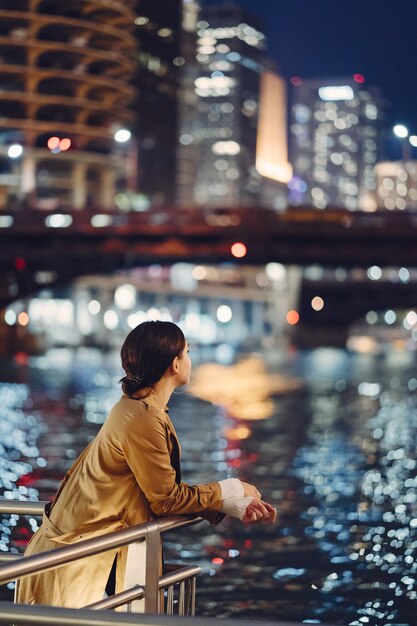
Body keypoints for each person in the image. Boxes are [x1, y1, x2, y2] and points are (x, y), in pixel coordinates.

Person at [17, 321, 276, 608]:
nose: (190, 359)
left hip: (74, 553)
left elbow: (151, 491)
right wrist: (231, 487)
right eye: (187, 353)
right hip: (71, 560)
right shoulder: (143, 418)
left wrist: (231, 504)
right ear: (175, 365)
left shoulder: (137, 409)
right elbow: (165, 499)